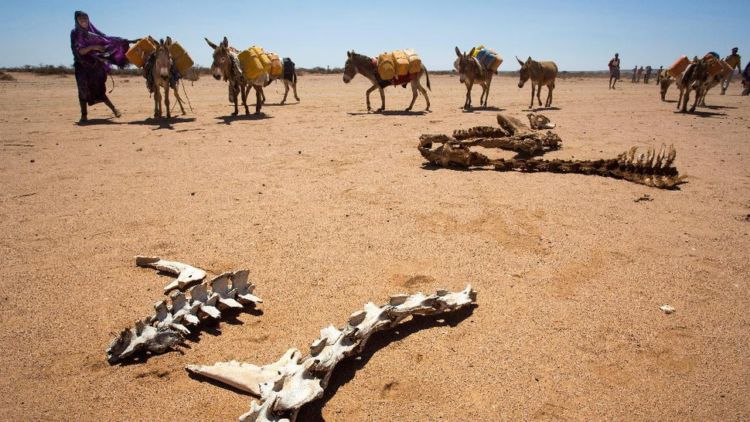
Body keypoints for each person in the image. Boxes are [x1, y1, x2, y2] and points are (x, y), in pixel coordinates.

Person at [70, 11, 131, 123]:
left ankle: (114, 109)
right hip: (82, 67)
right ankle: (84, 115)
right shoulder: (75, 33)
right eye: (80, 18)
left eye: (85, 18)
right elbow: (81, 51)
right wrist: (94, 47)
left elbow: (107, 39)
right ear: (77, 20)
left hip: (95, 65)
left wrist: (121, 41)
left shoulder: (94, 32)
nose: (83, 20)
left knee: (99, 89)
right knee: (83, 90)